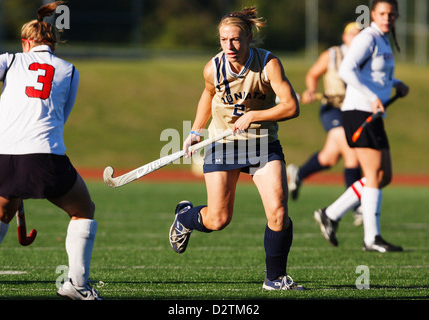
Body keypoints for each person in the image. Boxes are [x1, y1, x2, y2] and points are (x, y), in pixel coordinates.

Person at [168, 7, 303, 290]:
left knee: (278, 211)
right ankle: (185, 217)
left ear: (249, 37)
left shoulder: (268, 65)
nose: (229, 46)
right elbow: (208, 94)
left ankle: (274, 279)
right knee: (218, 219)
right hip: (223, 144)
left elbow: (292, 107)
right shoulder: (212, 68)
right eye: (224, 40)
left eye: (236, 39)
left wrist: (254, 115)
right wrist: (195, 130)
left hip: (263, 145)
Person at [0, 2, 102, 299]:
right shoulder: (69, 71)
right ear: (53, 44)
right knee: (83, 210)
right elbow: (61, 117)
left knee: (2, 212)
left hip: (4, 157)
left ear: (26, 42)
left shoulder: (10, 59)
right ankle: (77, 286)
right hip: (45, 155)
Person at [314, 0, 409, 252]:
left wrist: (395, 83)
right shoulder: (367, 37)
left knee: (382, 175)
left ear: (396, 15)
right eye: (381, 13)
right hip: (359, 113)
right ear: (373, 14)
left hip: (374, 114)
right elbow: (347, 69)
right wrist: (372, 96)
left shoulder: (383, 39)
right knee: (374, 175)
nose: (387, 17)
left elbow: (375, 74)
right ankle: (372, 238)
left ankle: (331, 213)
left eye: (391, 14)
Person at [287, 23, 362, 226]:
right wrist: (311, 89)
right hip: (332, 110)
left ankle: (298, 173)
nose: (357, 37)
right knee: (351, 153)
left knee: (329, 158)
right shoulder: (333, 54)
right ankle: (359, 207)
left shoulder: (366, 56)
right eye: (353, 33)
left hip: (354, 111)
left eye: (360, 34)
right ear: (345, 37)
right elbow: (313, 74)